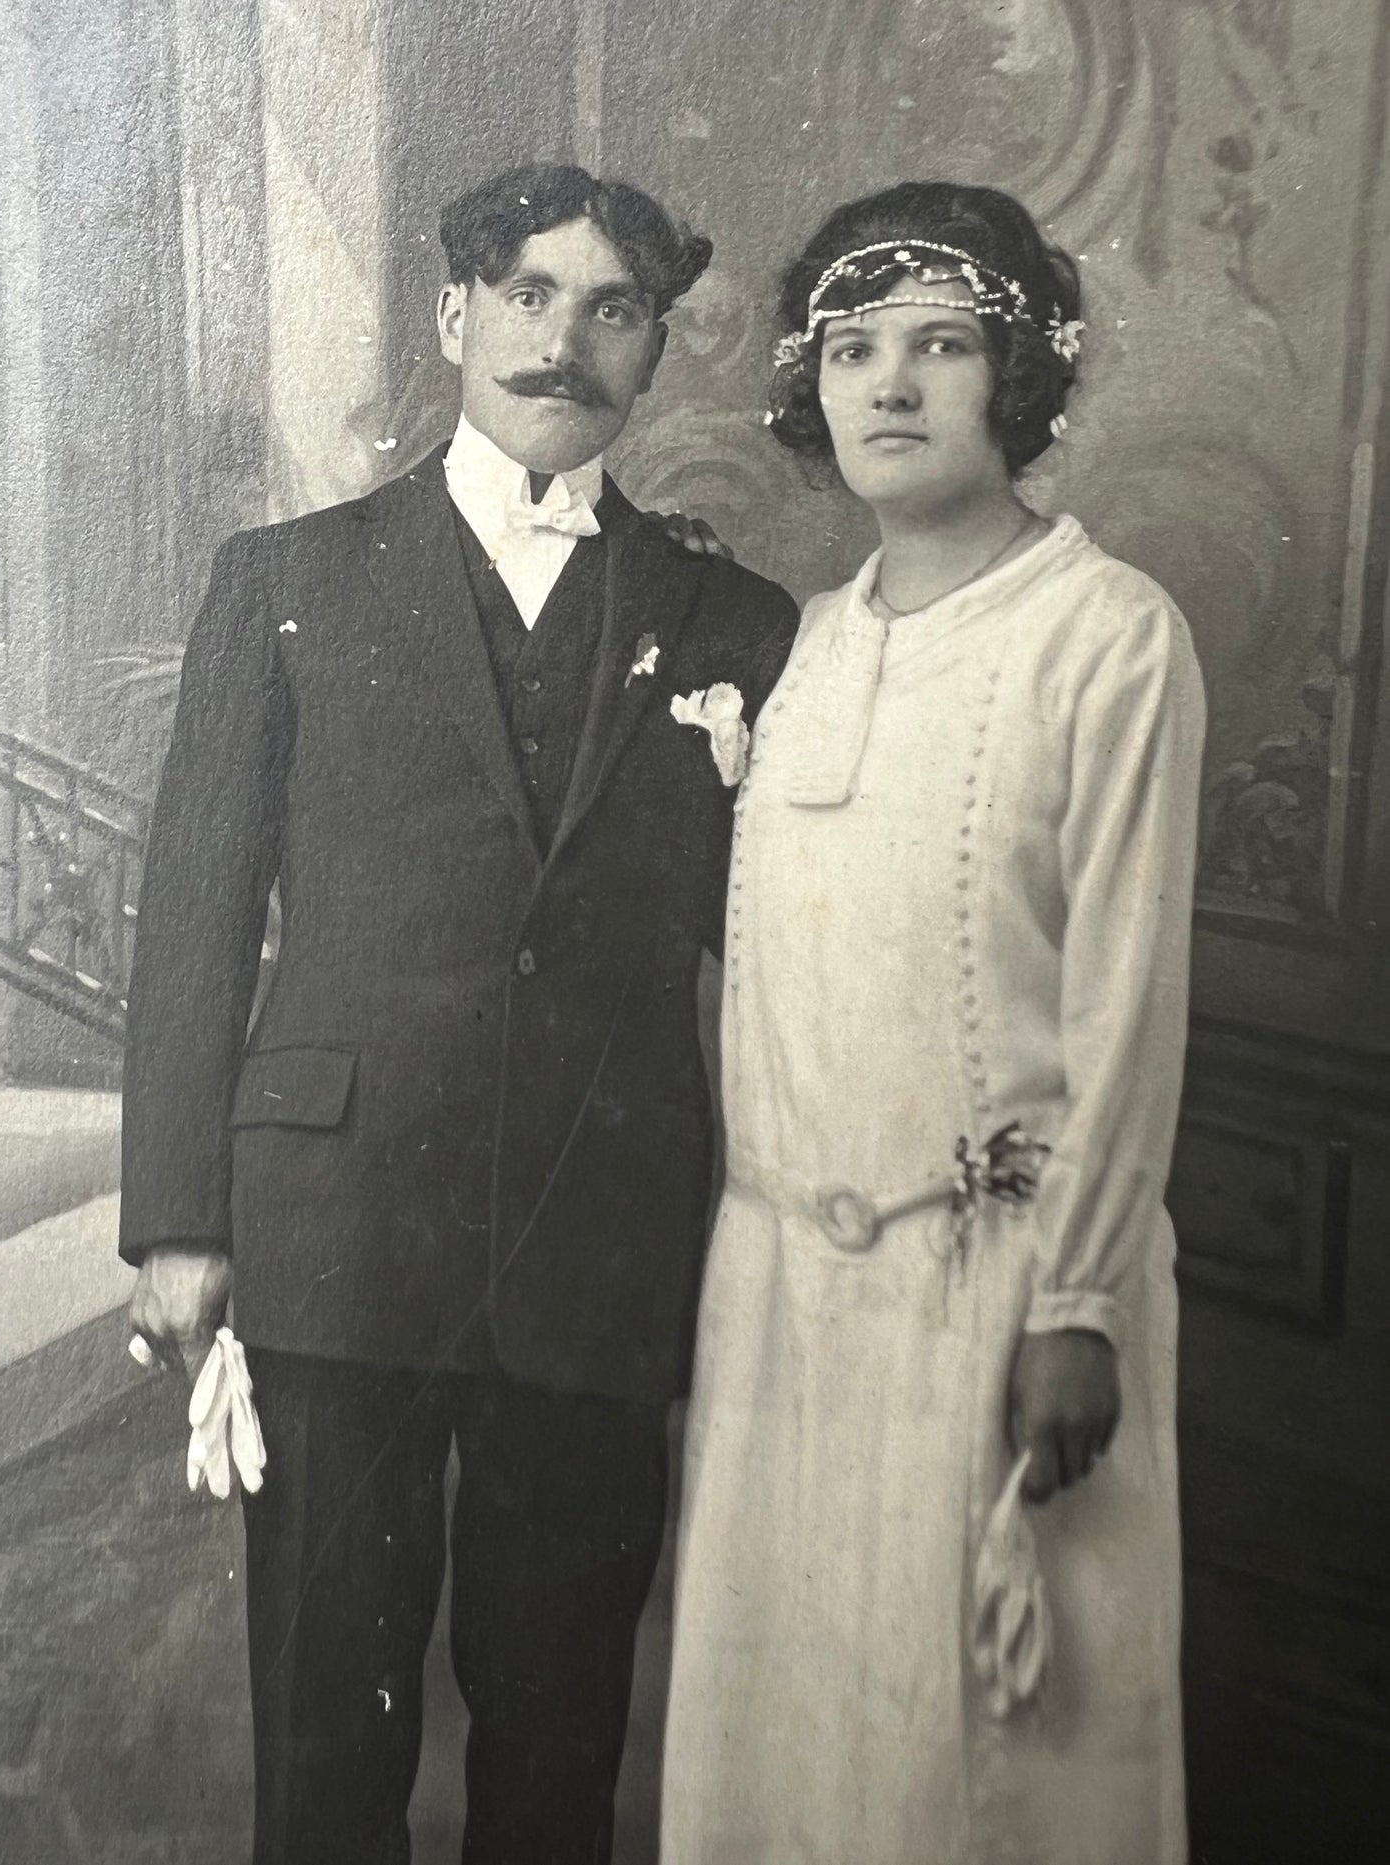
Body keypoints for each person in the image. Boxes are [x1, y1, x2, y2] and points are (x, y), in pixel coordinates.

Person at [119, 160, 797, 1865]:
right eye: (529, 297)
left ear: (654, 353)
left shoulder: (735, 619)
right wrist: (177, 1220)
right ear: (454, 317)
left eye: (612, 311)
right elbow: (195, 916)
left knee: (559, 1732)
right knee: (326, 1736)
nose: (563, 343)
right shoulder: (282, 577)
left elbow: (781, 945)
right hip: (336, 1229)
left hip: (598, 1241)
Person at [660, 180, 1205, 1865]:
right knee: (788, 1754)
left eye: (940, 346)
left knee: (979, 1773)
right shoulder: (802, 648)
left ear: (1016, 380)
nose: (888, 385)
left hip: (1002, 1304)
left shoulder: (1105, 636)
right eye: (852, 349)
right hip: (778, 1312)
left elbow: (1125, 1003)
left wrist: (1081, 1304)